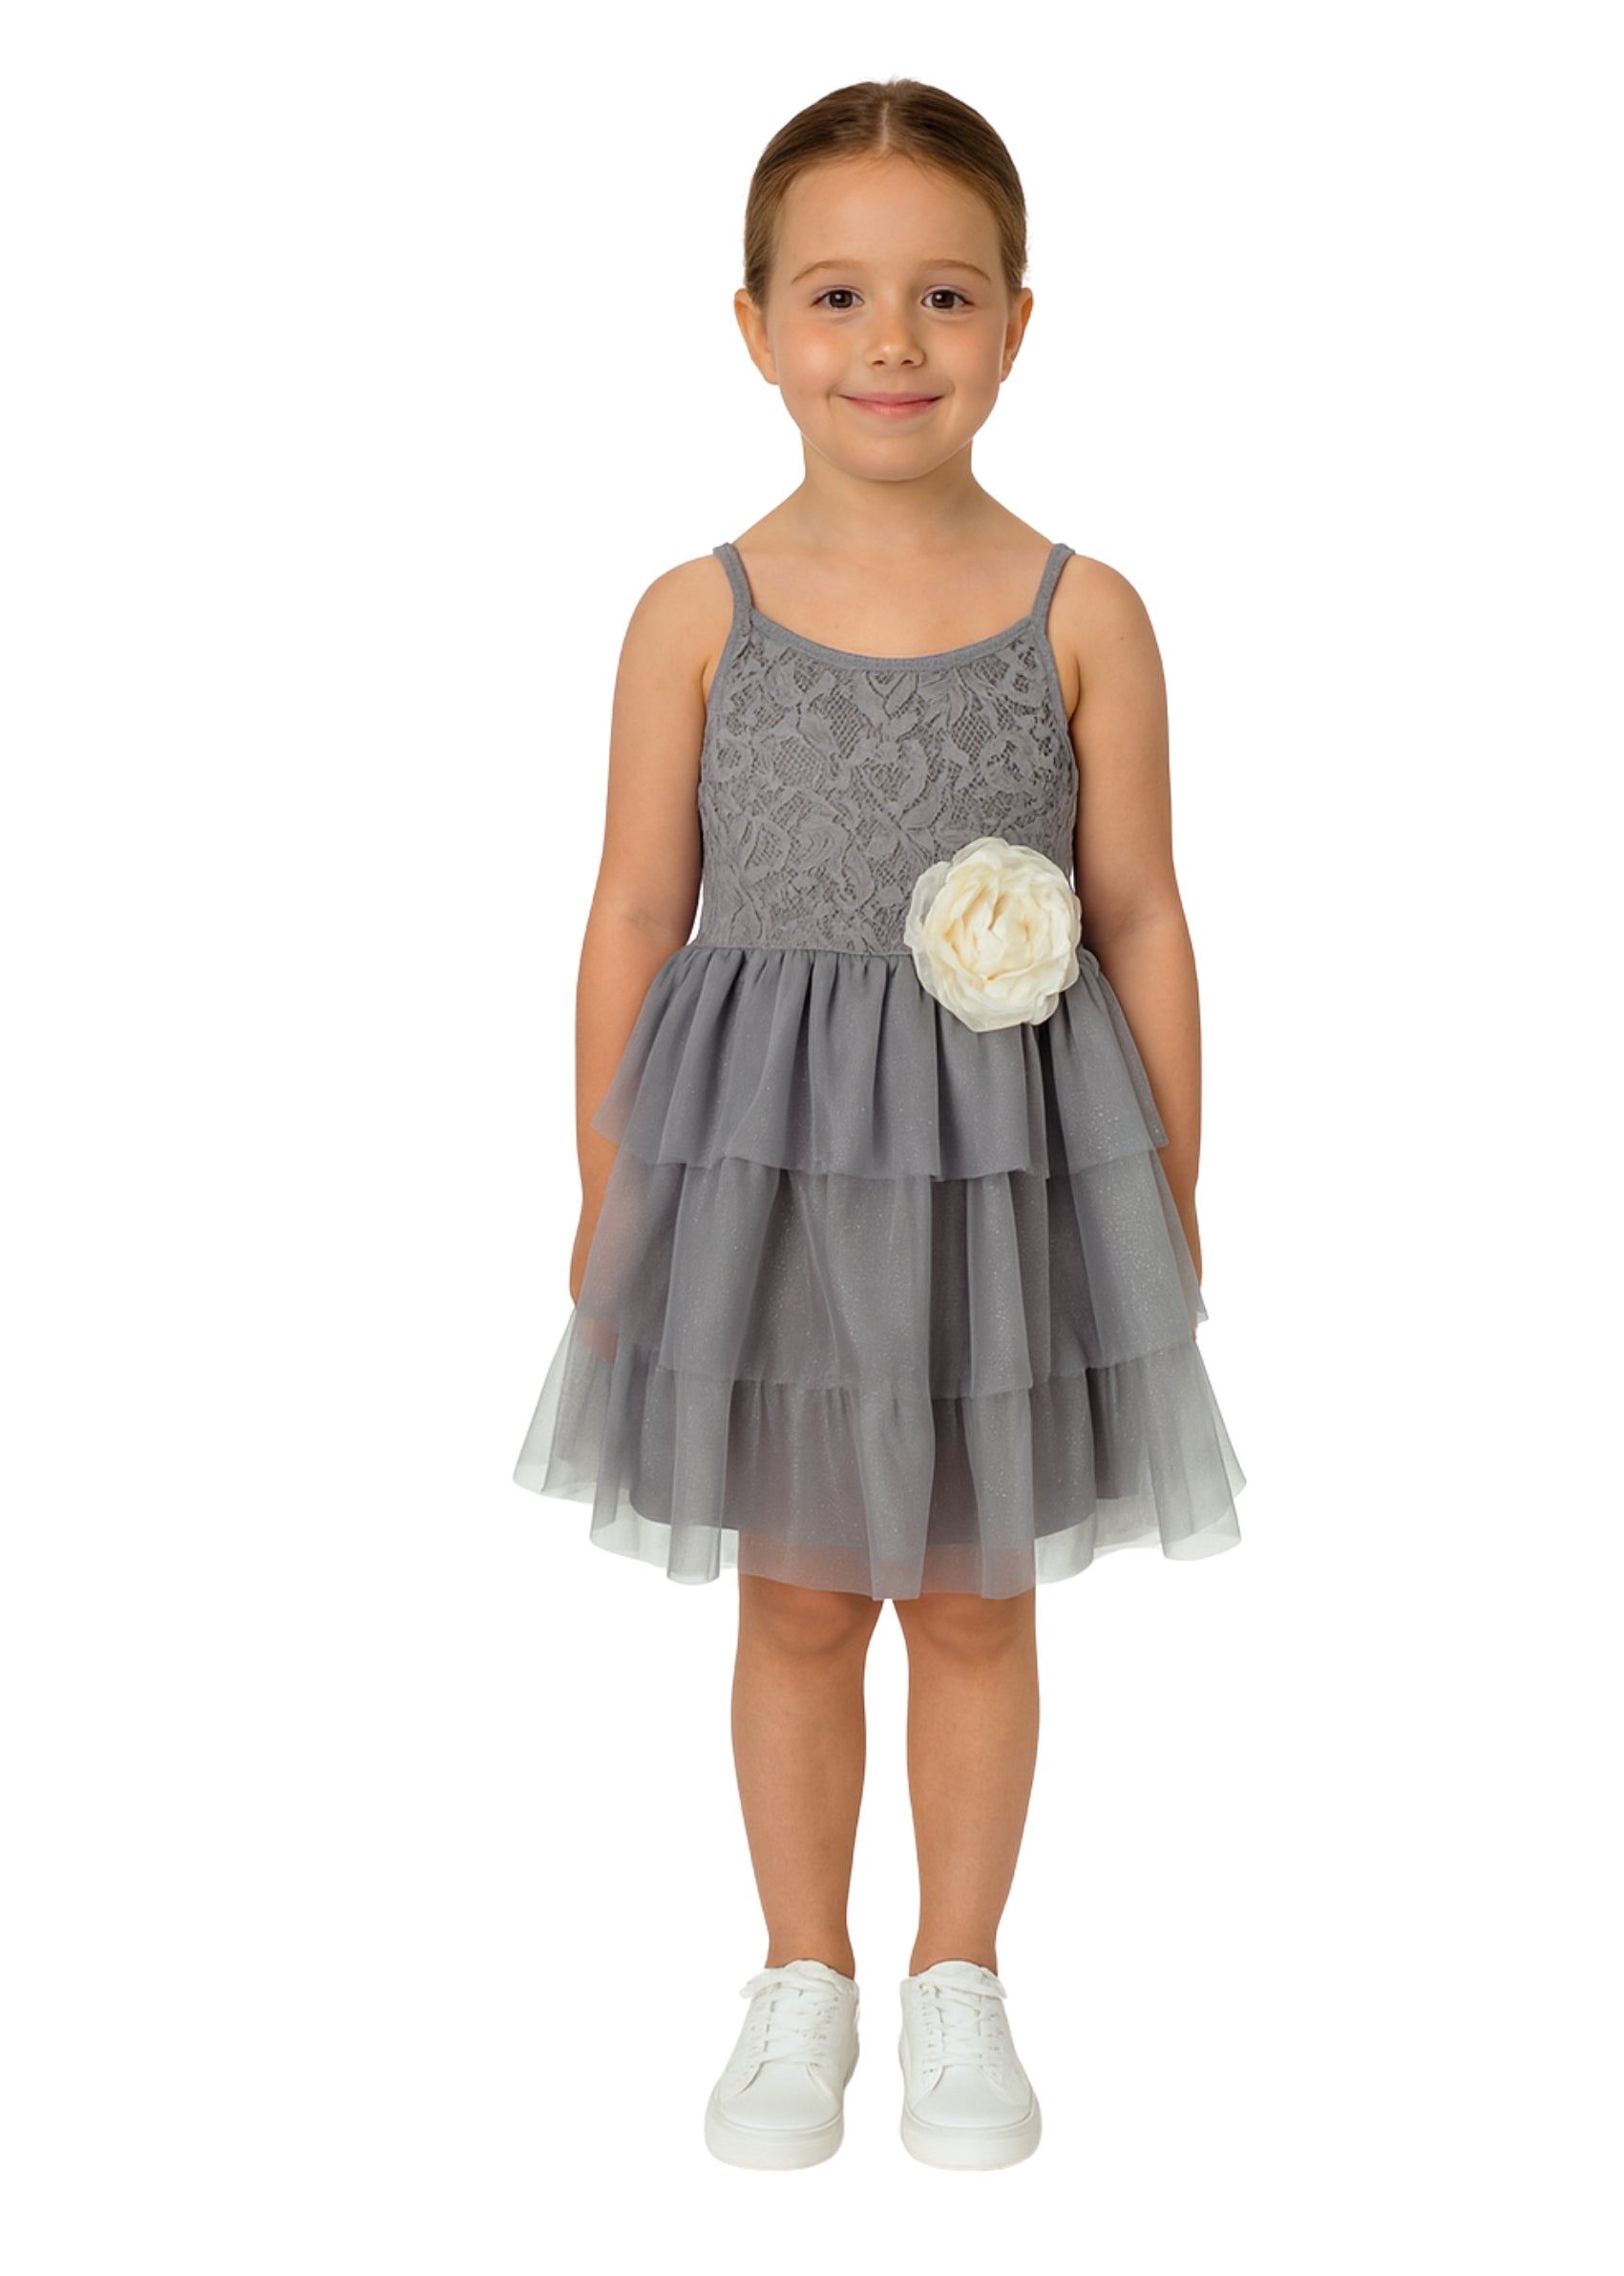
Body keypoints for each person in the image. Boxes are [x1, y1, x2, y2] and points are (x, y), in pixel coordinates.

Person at [513, 75, 1248, 2172]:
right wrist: (608, 1183)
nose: (892, 341)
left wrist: (1167, 1188)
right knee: (801, 1595)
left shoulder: (1083, 613)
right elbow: (634, 912)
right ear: (753, 325)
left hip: (1002, 1190)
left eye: (943, 293)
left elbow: (1139, 914)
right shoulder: (695, 613)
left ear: (1017, 320)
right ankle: (797, 1976)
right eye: (836, 295)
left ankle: (958, 1978)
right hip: (767, 1188)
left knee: (979, 1597)